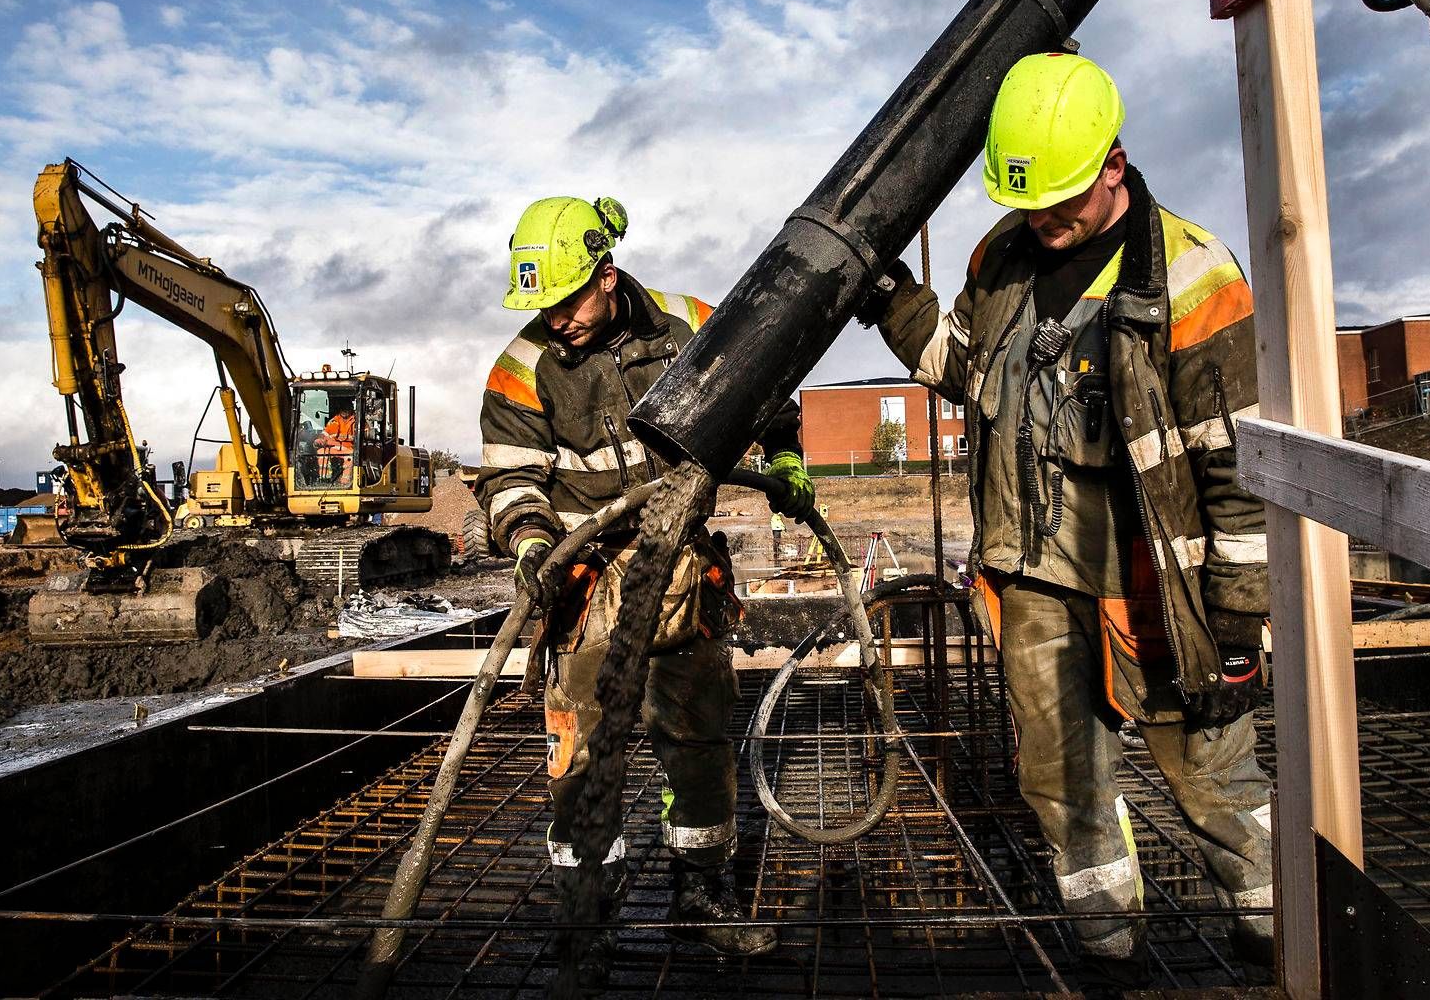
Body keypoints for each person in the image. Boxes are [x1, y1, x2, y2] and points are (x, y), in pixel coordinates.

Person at [857, 53, 1274, 980]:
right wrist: (893, 304)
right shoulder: (1001, 257)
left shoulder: (1194, 277)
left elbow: (1236, 461)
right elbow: (966, 368)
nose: (1046, 222)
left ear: (1114, 166)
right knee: (1058, 777)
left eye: (1064, 202)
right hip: (1031, 575)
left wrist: (1241, 610)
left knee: (1207, 770)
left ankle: (1277, 924)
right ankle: (1109, 947)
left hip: (1151, 583)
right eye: (1030, 203)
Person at [475, 196, 814, 961]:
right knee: (580, 753)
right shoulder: (521, 371)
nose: (552, 318)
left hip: (682, 575)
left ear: (606, 273)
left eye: (563, 300)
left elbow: (765, 392)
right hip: (584, 583)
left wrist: (785, 457)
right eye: (539, 304)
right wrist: (533, 546)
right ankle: (587, 912)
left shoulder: (690, 325)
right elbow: (509, 481)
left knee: (696, 742)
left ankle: (700, 893)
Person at [316, 401, 356, 484]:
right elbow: (324, 434)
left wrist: (350, 438)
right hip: (333, 447)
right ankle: (324, 480)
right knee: (321, 452)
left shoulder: (357, 422)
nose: (345, 412)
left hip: (348, 448)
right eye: (343, 409)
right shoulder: (333, 421)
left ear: (351, 409)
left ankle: (345, 482)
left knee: (350, 456)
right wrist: (320, 440)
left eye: (347, 409)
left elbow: (366, 435)